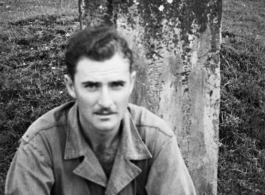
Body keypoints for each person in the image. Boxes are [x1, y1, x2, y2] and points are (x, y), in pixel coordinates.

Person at [5, 25, 196, 195]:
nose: (105, 102)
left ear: (131, 84)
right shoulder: (40, 144)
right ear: (71, 86)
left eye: (116, 85)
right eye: (91, 86)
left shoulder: (156, 139)